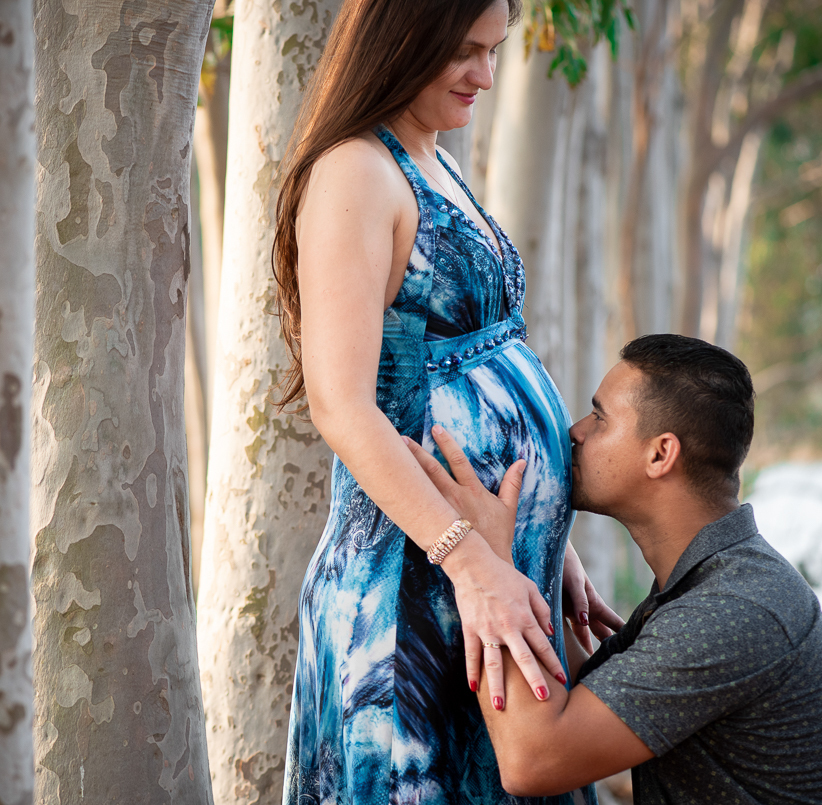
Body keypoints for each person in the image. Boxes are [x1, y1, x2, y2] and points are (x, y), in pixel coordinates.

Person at [272, 0, 621, 802]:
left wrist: (550, 540)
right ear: (402, 38)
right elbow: (341, 405)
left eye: (494, 51)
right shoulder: (356, 170)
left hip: (486, 573)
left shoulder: (432, 154)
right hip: (412, 592)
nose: (486, 77)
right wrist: (471, 560)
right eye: (464, 52)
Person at [408, 334, 822, 804]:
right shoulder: (714, 580)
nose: (576, 430)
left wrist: (489, 563)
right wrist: (536, 563)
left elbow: (534, 760)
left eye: (600, 418)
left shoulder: (732, 610)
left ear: (660, 454)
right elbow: (576, 696)